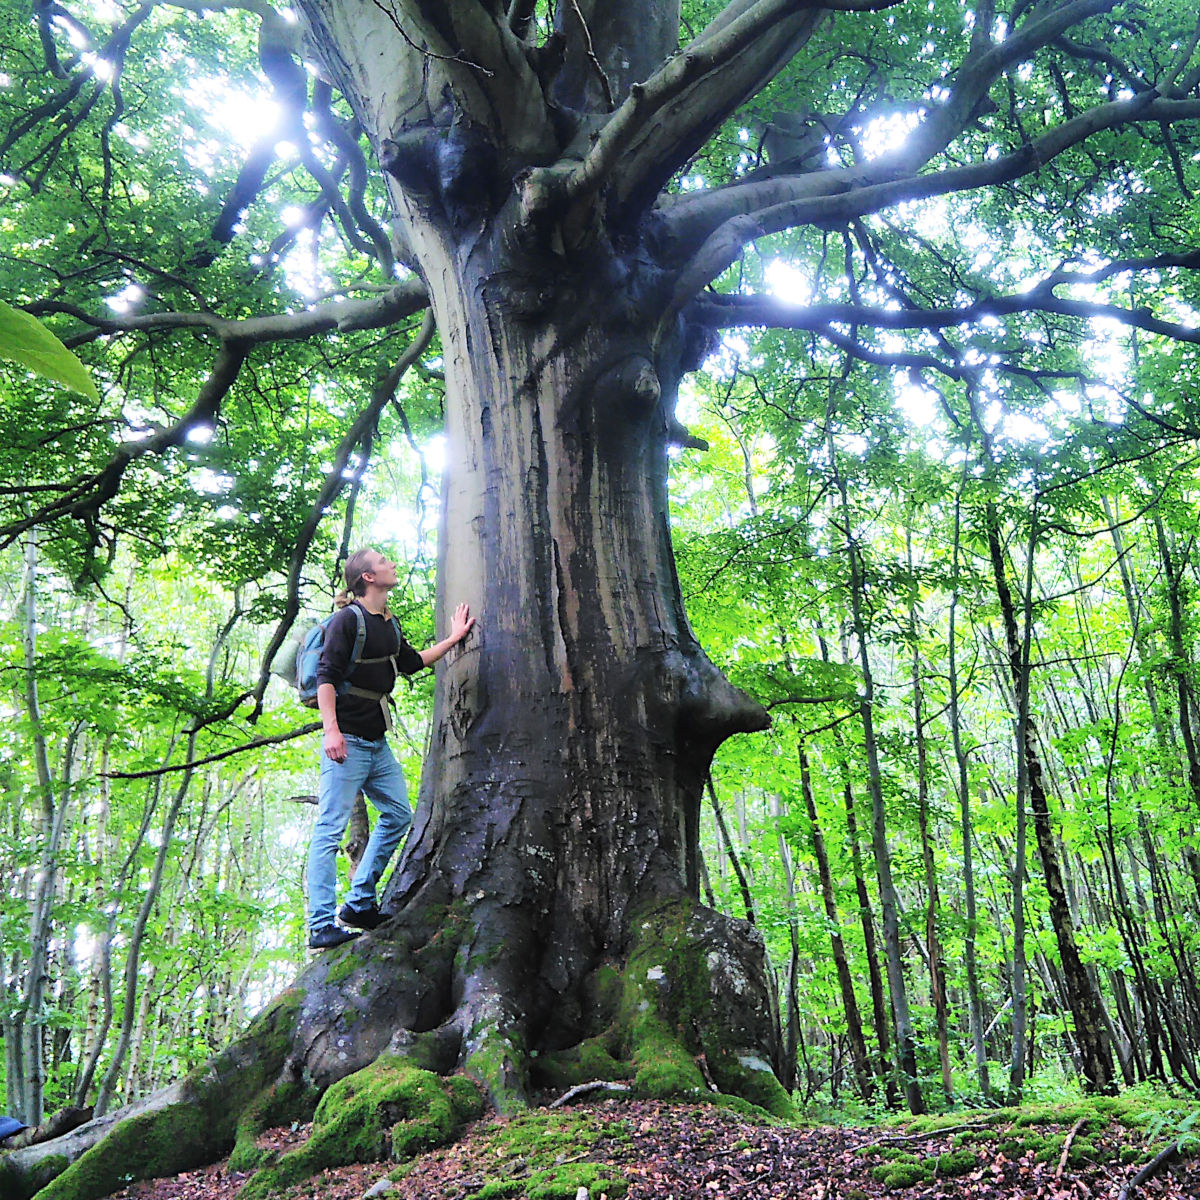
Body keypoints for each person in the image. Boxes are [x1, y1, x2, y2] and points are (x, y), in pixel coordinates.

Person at [308, 547, 475, 949]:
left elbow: (412, 663)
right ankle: (319, 925)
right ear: (368, 577)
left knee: (399, 814)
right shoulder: (348, 621)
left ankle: (359, 903)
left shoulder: (388, 622)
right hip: (347, 741)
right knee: (329, 831)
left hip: (376, 743)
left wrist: (454, 638)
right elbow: (326, 677)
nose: (392, 564)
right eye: (384, 561)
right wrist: (331, 731)